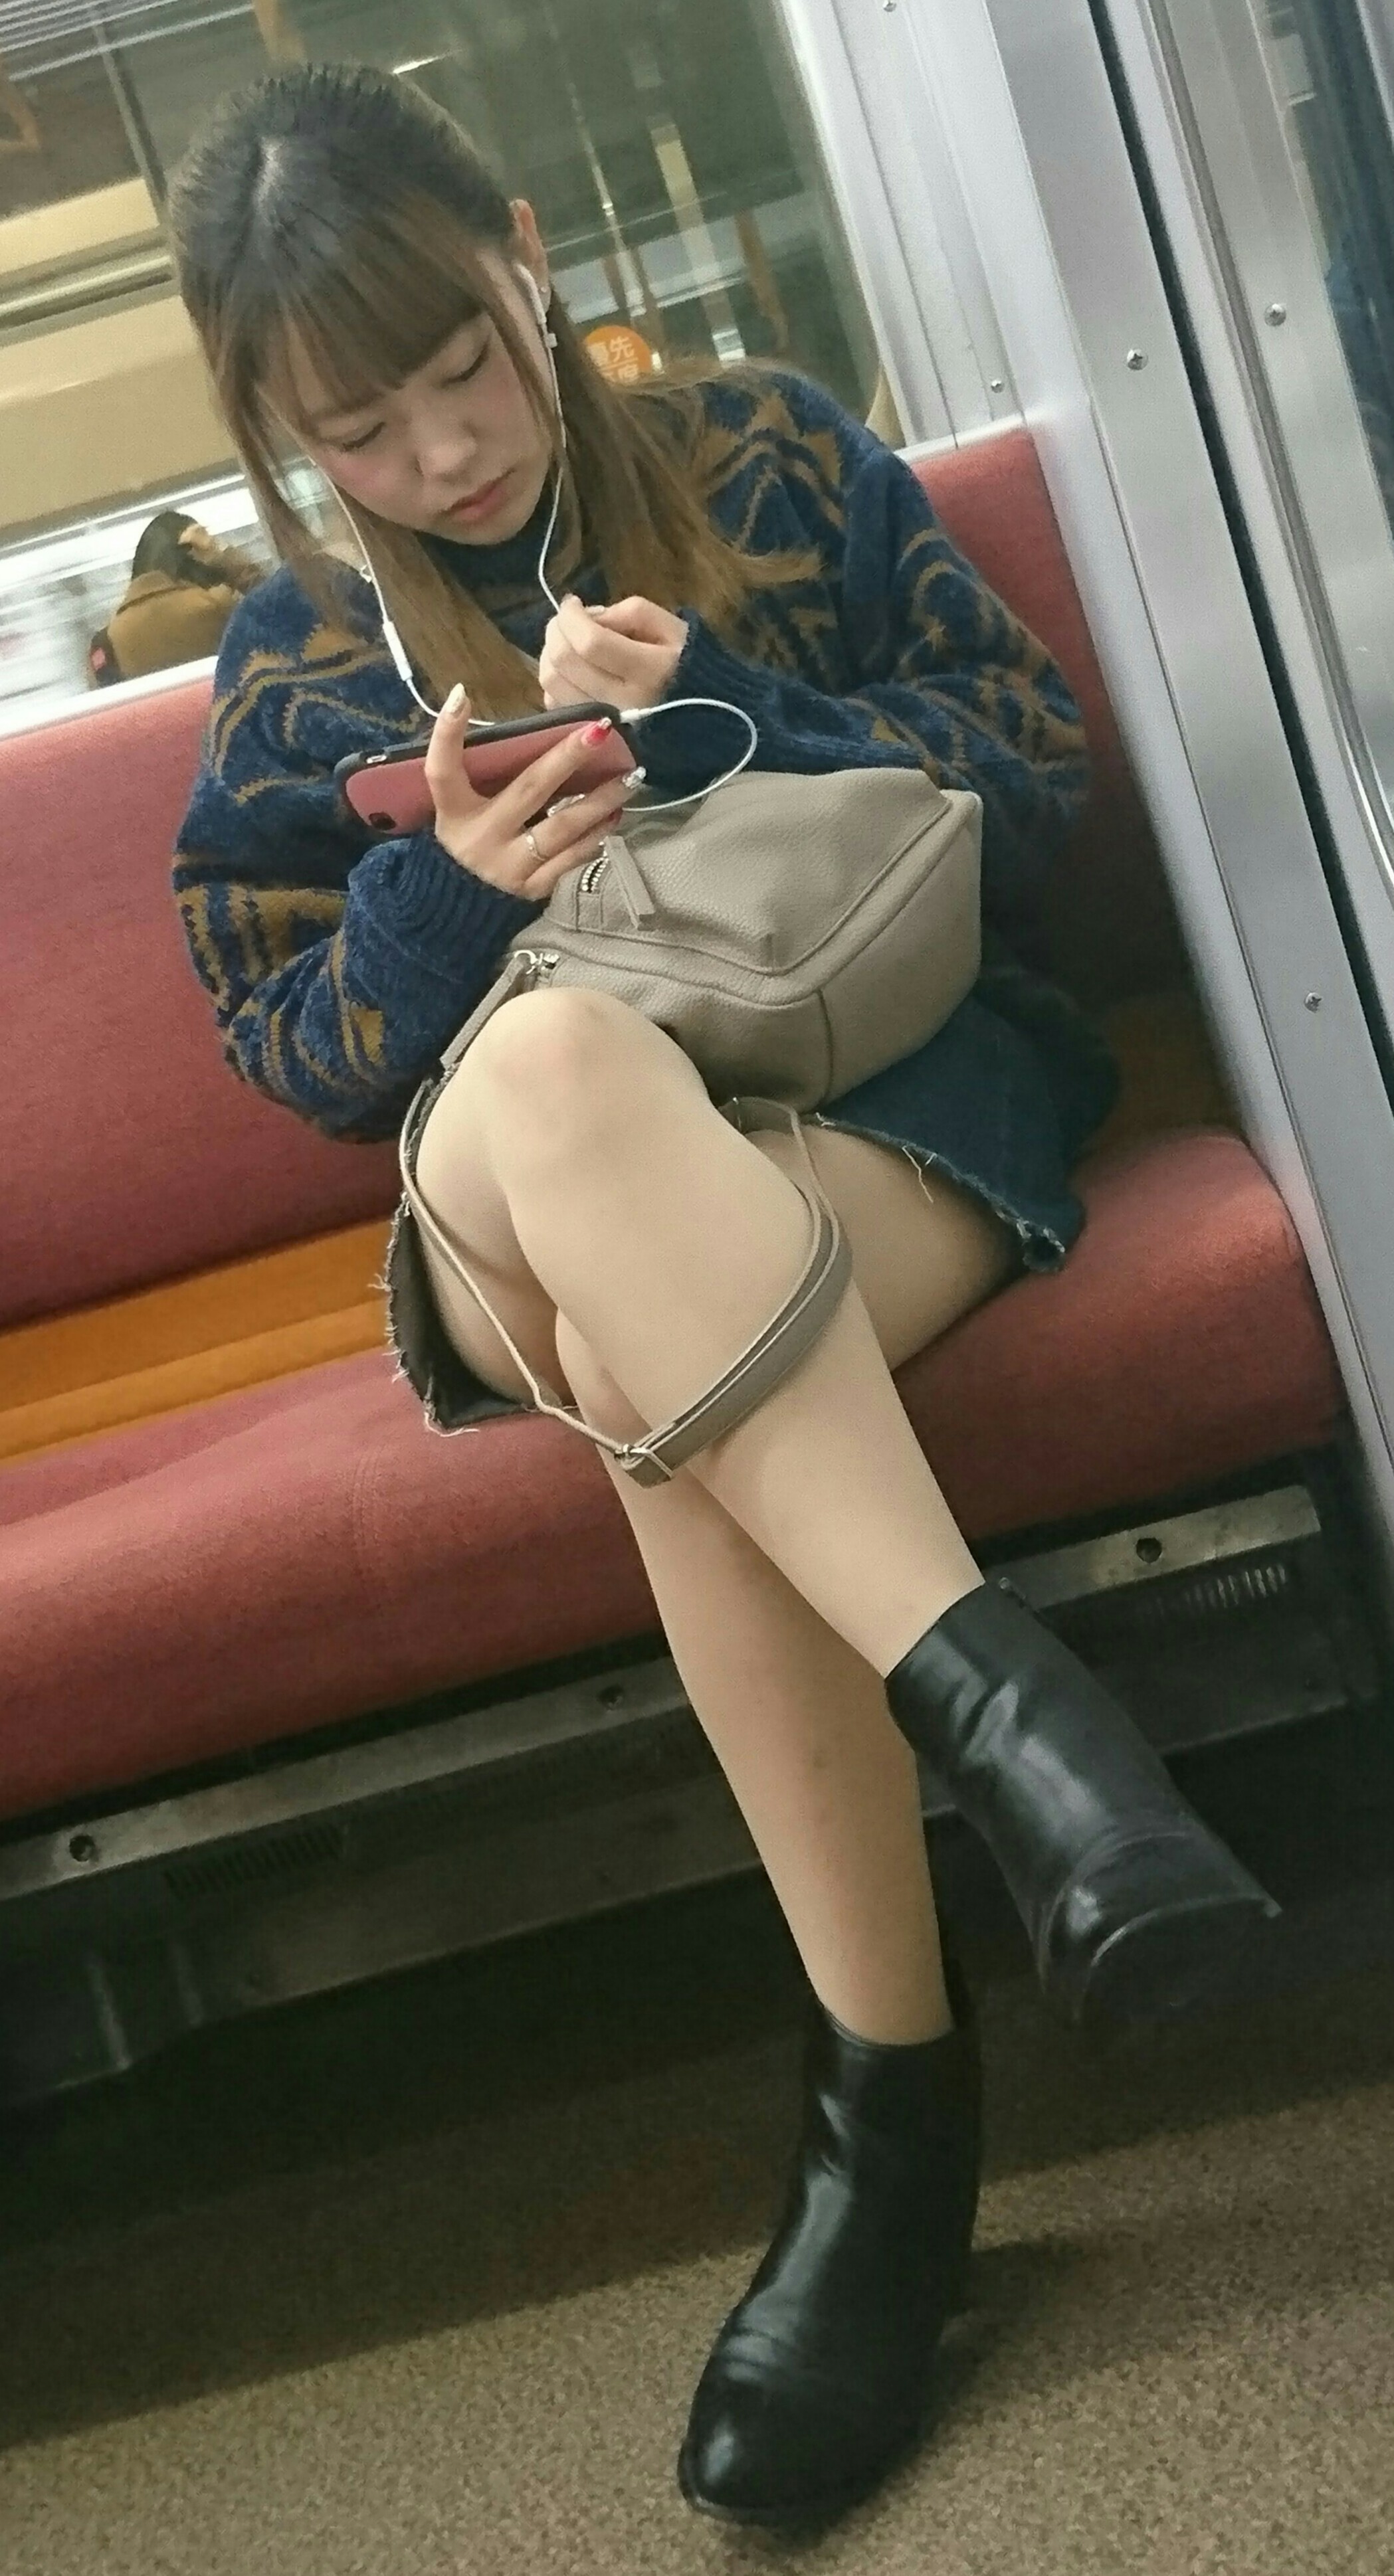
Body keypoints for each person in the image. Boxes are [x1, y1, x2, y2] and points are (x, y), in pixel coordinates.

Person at [167, 63, 1275, 2534]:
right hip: (517, 1185)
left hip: (887, 1115)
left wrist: (731, 716)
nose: (446, 449)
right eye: (361, 428)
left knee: (655, 1376)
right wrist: (449, 881)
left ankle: (894, 2123)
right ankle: (1035, 1741)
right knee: (557, 1068)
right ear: (278, 434)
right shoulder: (292, 665)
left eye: (463, 364)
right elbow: (306, 1056)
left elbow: (1036, 786)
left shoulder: (766, 449)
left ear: (527, 260)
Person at [89, 511, 264, 686]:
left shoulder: (106, 641)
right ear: (192, 559)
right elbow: (272, 607)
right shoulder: (215, 604)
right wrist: (219, 552)